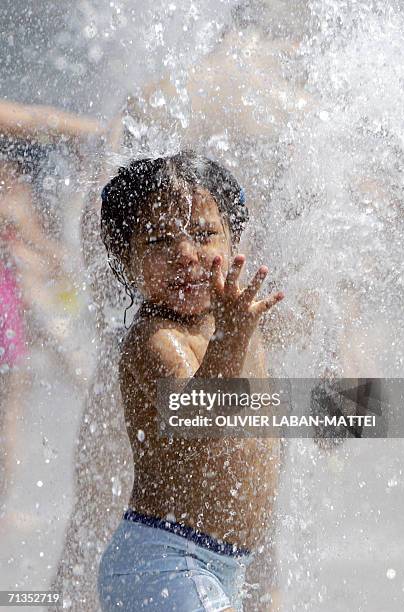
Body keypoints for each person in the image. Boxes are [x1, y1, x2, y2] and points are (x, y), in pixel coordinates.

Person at [97, 151, 284, 612]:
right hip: (163, 560)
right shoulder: (156, 340)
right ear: (127, 258)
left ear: (233, 238)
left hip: (216, 565)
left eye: (203, 234)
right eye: (160, 241)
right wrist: (230, 337)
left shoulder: (235, 320)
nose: (185, 255)